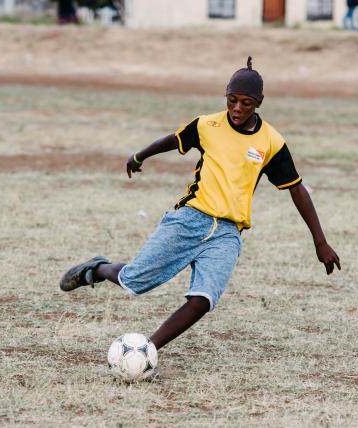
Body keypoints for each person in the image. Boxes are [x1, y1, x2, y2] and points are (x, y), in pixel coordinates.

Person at [60, 57, 341, 351]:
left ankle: (148, 350)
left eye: (246, 103)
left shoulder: (271, 142)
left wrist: (319, 242)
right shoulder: (207, 124)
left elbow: (296, 189)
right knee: (134, 281)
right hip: (190, 219)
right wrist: (139, 156)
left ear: (258, 103)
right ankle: (97, 268)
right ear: (226, 96)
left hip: (228, 234)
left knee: (203, 299)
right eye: (232, 100)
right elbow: (174, 139)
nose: (237, 108)